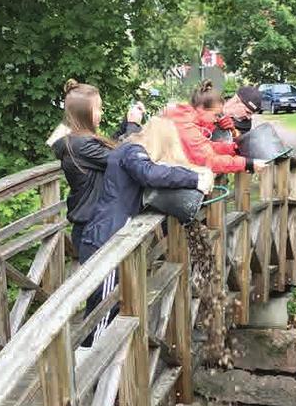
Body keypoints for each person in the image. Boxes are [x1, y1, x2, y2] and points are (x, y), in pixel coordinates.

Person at [80, 118, 213, 342]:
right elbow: (150, 174)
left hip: (104, 231)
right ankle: (91, 366)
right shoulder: (133, 152)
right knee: (102, 312)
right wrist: (195, 179)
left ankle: (97, 362)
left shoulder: (126, 149)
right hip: (109, 237)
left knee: (106, 306)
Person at [47, 80, 112, 260]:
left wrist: (126, 127)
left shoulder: (74, 141)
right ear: (83, 113)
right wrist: (133, 127)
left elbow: (112, 148)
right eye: (98, 108)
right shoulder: (82, 145)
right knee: (101, 286)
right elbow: (121, 158)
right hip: (93, 230)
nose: (101, 113)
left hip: (87, 227)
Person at [165, 82, 265, 175]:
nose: (216, 119)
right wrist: (246, 163)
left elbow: (206, 145)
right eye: (216, 115)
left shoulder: (190, 117)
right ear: (201, 108)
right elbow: (208, 160)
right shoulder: (186, 125)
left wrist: (235, 149)